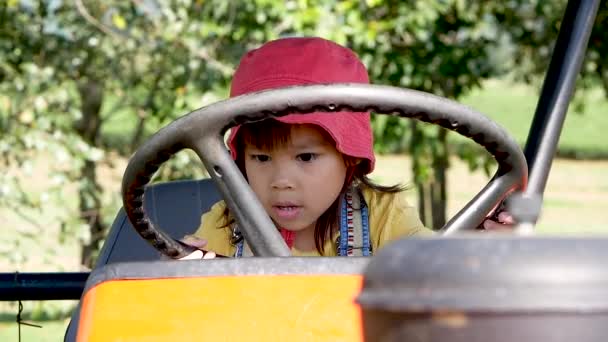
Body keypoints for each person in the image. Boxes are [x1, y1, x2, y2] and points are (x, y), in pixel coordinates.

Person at [180, 37, 513, 260]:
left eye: (305, 157)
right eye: (262, 157)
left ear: (349, 156)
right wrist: (183, 270)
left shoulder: (384, 216)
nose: (281, 180)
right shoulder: (229, 223)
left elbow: (430, 268)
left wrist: (478, 250)